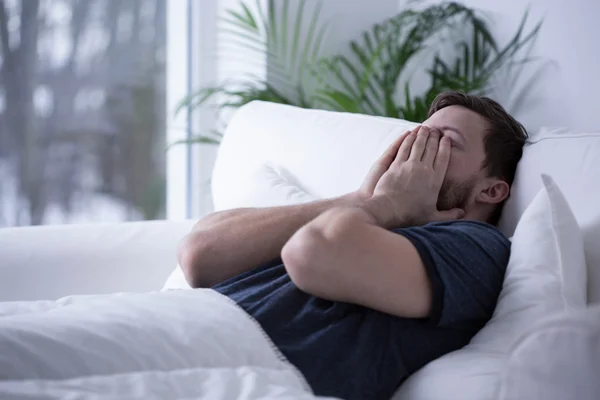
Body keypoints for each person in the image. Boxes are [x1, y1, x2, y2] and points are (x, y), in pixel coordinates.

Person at [178, 91, 528, 400]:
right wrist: (362, 198)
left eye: (443, 141)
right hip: (189, 325)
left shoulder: (478, 248)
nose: (415, 149)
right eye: (419, 134)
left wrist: (387, 205)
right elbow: (198, 255)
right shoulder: (364, 215)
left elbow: (314, 253)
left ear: (491, 190)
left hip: (239, 369)